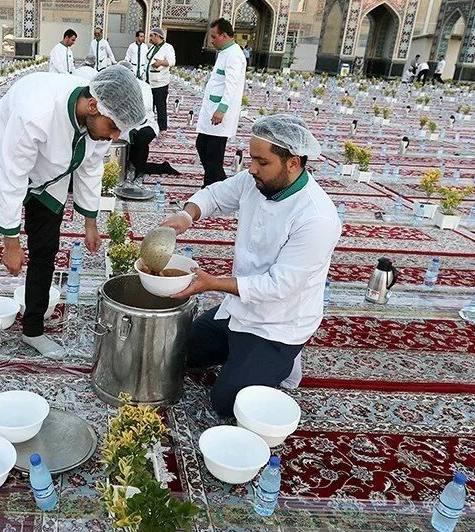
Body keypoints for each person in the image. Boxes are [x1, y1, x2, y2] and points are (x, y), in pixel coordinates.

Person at [0, 66, 145, 358]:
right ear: (92, 106)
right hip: (3, 170)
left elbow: (91, 167)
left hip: (50, 177)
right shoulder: (36, 112)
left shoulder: (100, 118)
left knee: (46, 251)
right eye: (113, 128)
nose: (113, 137)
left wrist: (91, 221)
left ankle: (33, 329)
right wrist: (11, 242)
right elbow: (14, 176)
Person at [161, 114, 341, 416]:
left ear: (293, 162)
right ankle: (244, 356)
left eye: (262, 162)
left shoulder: (317, 218)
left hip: (278, 323)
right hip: (239, 306)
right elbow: (217, 195)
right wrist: (187, 214)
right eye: (251, 160)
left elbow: (279, 286)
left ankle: (283, 359)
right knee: (173, 354)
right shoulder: (254, 180)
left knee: (228, 403)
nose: (252, 169)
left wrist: (212, 283)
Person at [196, 18, 246, 188]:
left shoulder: (234, 55)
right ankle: (221, 184)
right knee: (202, 146)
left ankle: (211, 188)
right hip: (214, 110)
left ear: (224, 35)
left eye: (214, 36)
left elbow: (231, 85)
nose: (212, 40)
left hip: (220, 113)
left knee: (213, 154)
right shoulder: (225, 52)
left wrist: (221, 109)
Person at [116, 61, 180, 181]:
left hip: (144, 124)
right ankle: (160, 167)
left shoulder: (143, 86)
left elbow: (141, 110)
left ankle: (138, 174)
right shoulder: (118, 87)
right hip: (124, 125)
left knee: (141, 138)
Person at [146, 27, 176, 133]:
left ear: (158, 36)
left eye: (151, 36)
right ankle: (150, 125)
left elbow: (172, 61)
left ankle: (162, 128)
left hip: (160, 82)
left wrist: (161, 62)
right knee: (149, 105)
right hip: (149, 81)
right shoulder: (152, 48)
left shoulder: (168, 47)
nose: (150, 38)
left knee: (160, 105)